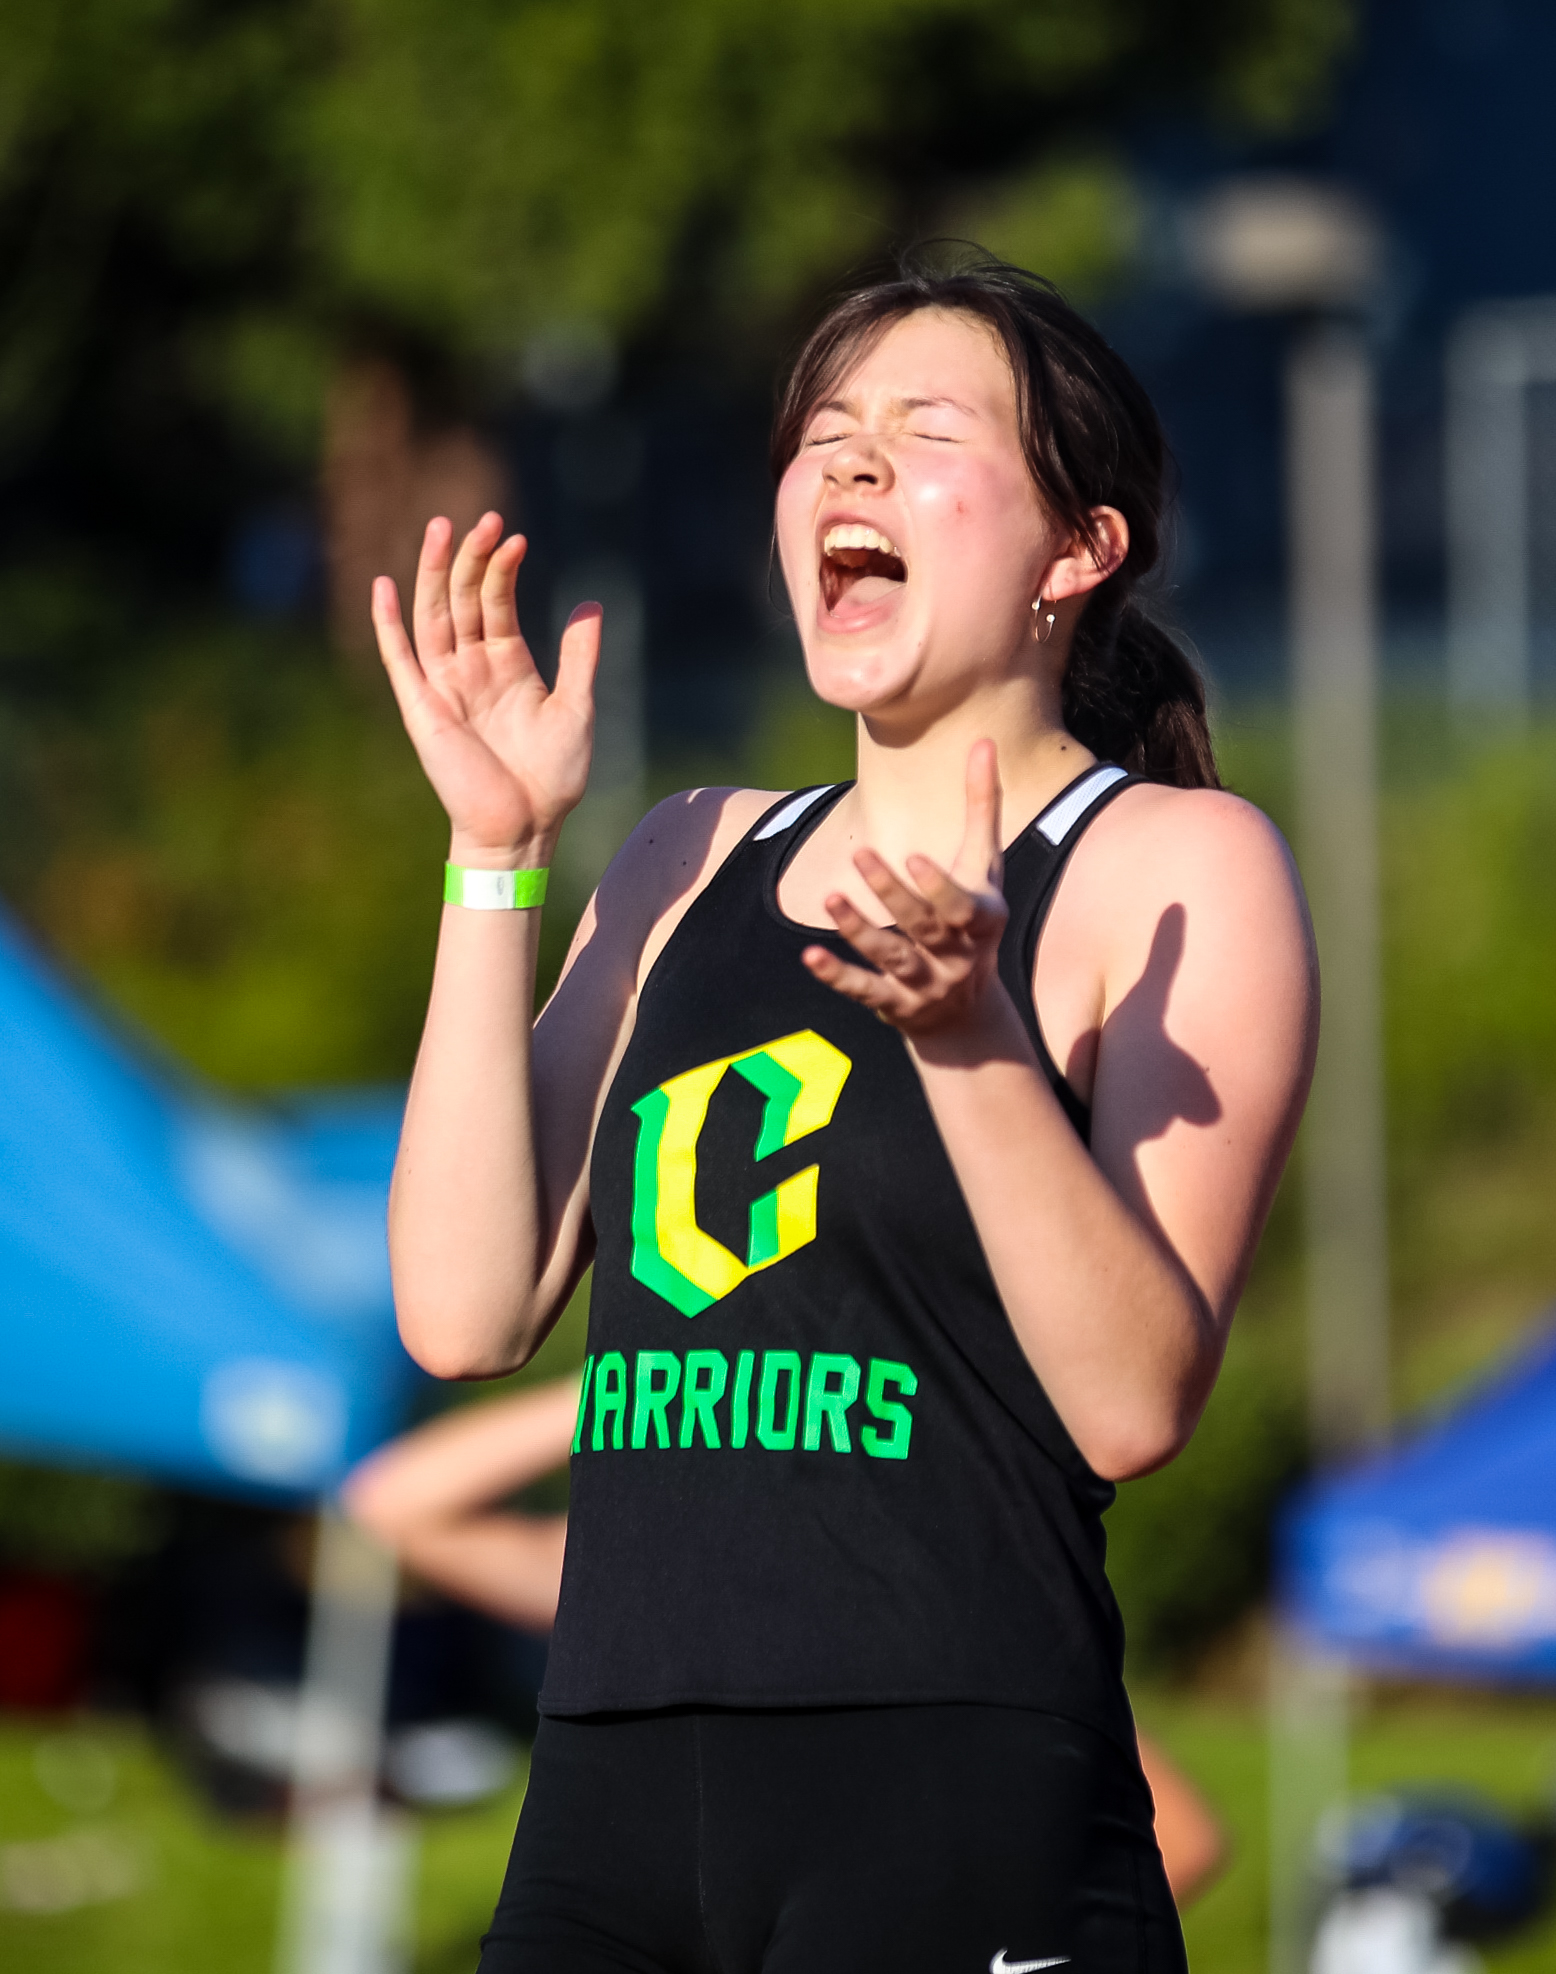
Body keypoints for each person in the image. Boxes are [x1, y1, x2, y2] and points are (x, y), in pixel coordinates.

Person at [372, 251, 1314, 1974]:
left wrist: (964, 1029)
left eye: (923, 429)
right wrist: (493, 856)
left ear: (1075, 550)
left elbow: (1128, 1401)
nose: (851, 465)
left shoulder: (1171, 863)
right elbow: (458, 1305)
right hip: (610, 1784)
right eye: (825, 434)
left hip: (950, 1787)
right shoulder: (686, 854)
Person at [344, 1374, 1228, 1907]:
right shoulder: (652, 1572)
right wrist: (637, 1374)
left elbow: (1180, 1840)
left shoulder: (932, 1600)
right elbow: (395, 1501)